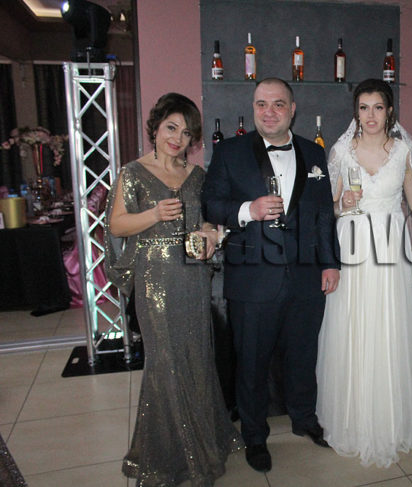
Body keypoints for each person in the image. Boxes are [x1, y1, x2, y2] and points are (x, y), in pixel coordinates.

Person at [201, 78, 340, 473]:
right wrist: (249, 209)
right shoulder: (229, 152)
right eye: (261, 104)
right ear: (253, 107)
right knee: (252, 362)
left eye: (278, 104)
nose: (269, 111)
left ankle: (304, 418)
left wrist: (331, 262)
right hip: (252, 277)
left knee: (303, 354)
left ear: (292, 109)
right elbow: (211, 204)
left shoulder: (314, 153)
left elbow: (323, 215)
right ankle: (254, 435)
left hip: (305, 276)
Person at [105, 92, 242, 485]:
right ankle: (169, 456)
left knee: (197, 358)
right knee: (165, 363)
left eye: (185, 133)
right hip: (155, 280)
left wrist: (211, 235)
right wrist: (152, 214)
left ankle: (203, 442)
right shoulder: (132, 172)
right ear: (155, 127)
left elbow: (209, 221)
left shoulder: (197, 176)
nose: (177, 139)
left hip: (193, 276)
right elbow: (116, 225)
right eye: (171, 128)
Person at [316, 79, 412, 468]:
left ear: (390, 112)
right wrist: (342, 203)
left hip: (389, 247)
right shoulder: (341, 151)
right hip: (351, 245)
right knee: (352, 325)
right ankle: (352, 415)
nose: (371, 115)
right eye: (364, 108)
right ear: (356, 112)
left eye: (378, 107)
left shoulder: (403, 150)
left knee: (389, 326)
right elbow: (328, 207)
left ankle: (392, 415)